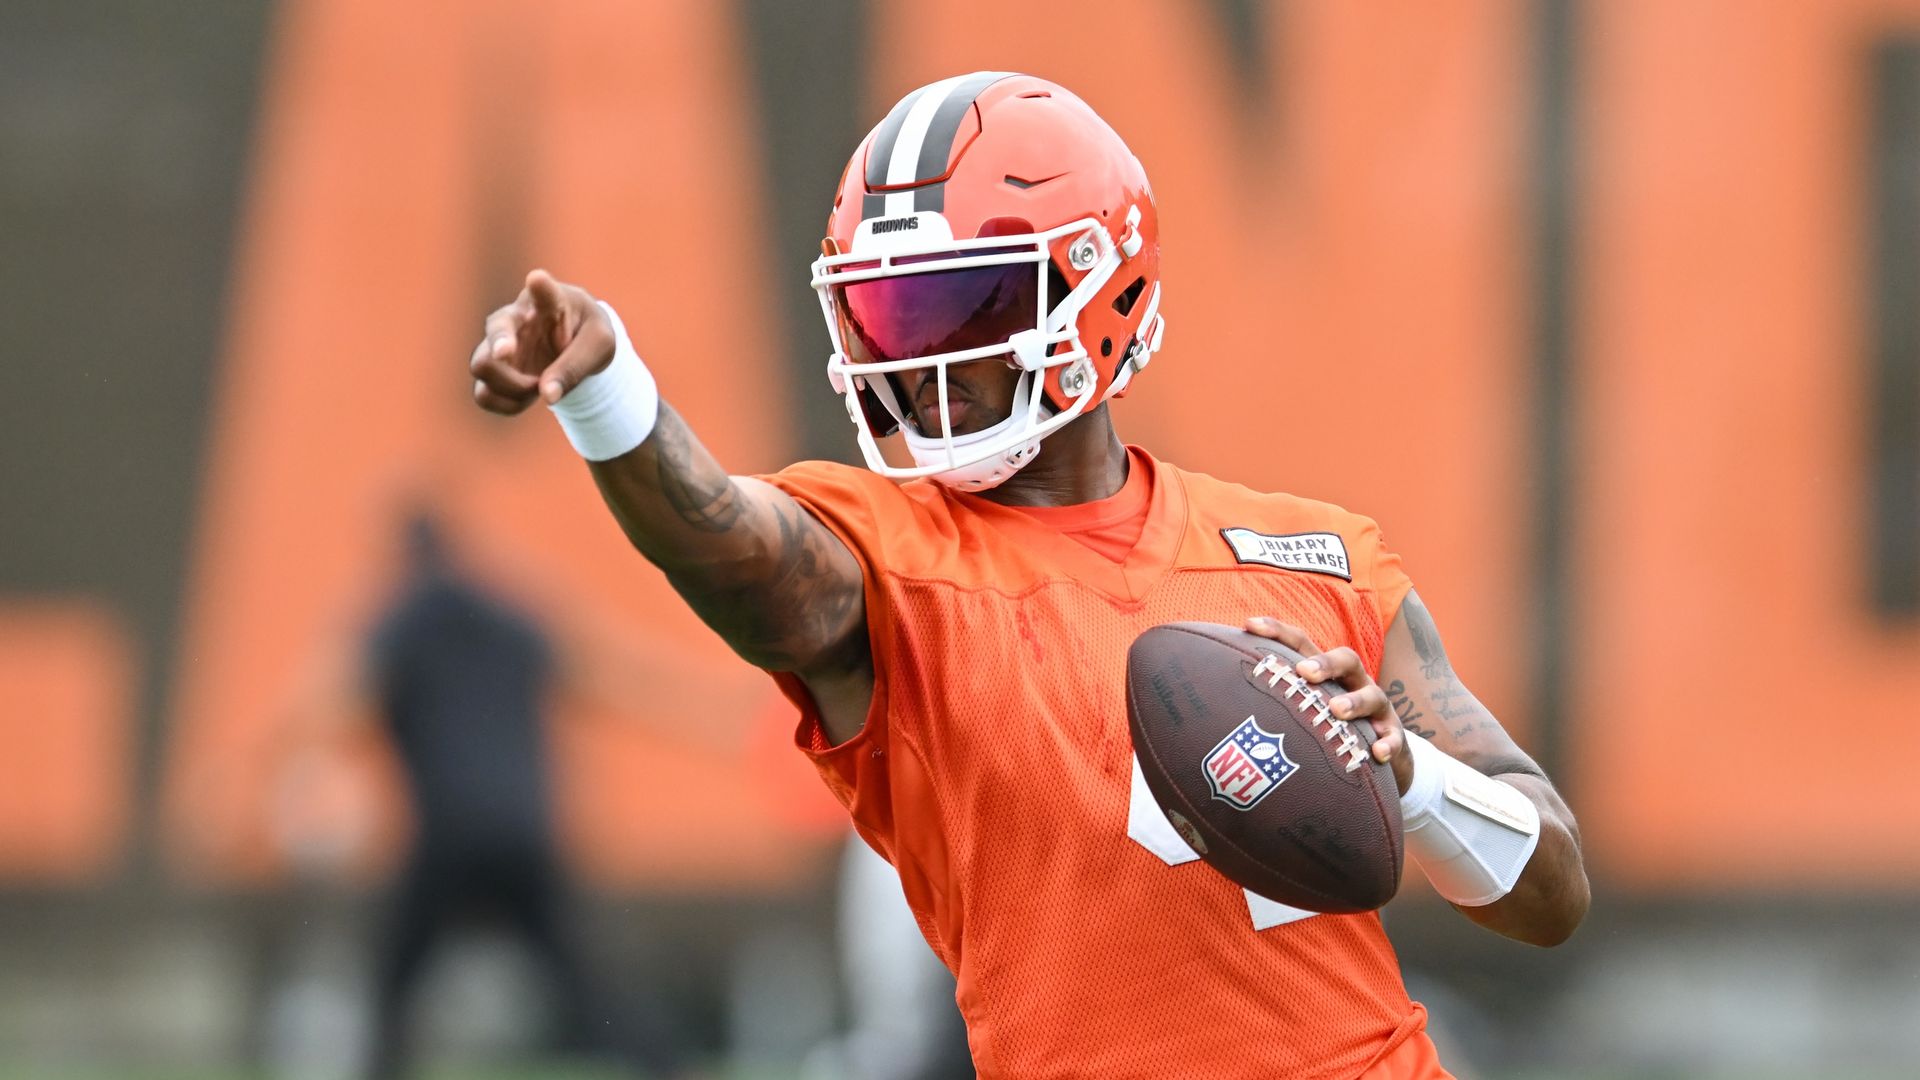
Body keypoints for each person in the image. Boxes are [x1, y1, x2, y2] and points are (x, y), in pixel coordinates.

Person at [467, 73, 1589, 1079]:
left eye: (963, 304)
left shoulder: (1319, 554)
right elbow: (729, 546)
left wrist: (1415, 783)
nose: (918, 357)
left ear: (1100, 288)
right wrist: (607, 395)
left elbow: (1554, 895)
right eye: (885, 312)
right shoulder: (889, 561)